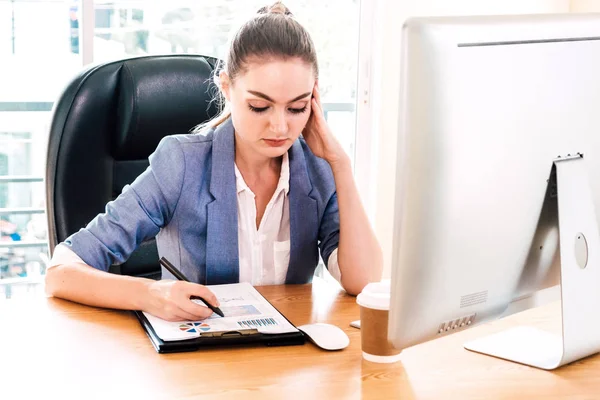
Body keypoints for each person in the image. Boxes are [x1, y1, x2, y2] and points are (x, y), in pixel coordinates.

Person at [45, 2, 383, 322]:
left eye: (297, 107)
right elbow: (61, 273)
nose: (280, 127)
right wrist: (151, 293)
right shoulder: (181, 164)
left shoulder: (317, 169)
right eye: (259, 106)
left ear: (314, 98)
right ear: (227, 88)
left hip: (287, 362)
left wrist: (341, 165)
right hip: (200, 361)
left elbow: (363, 282)